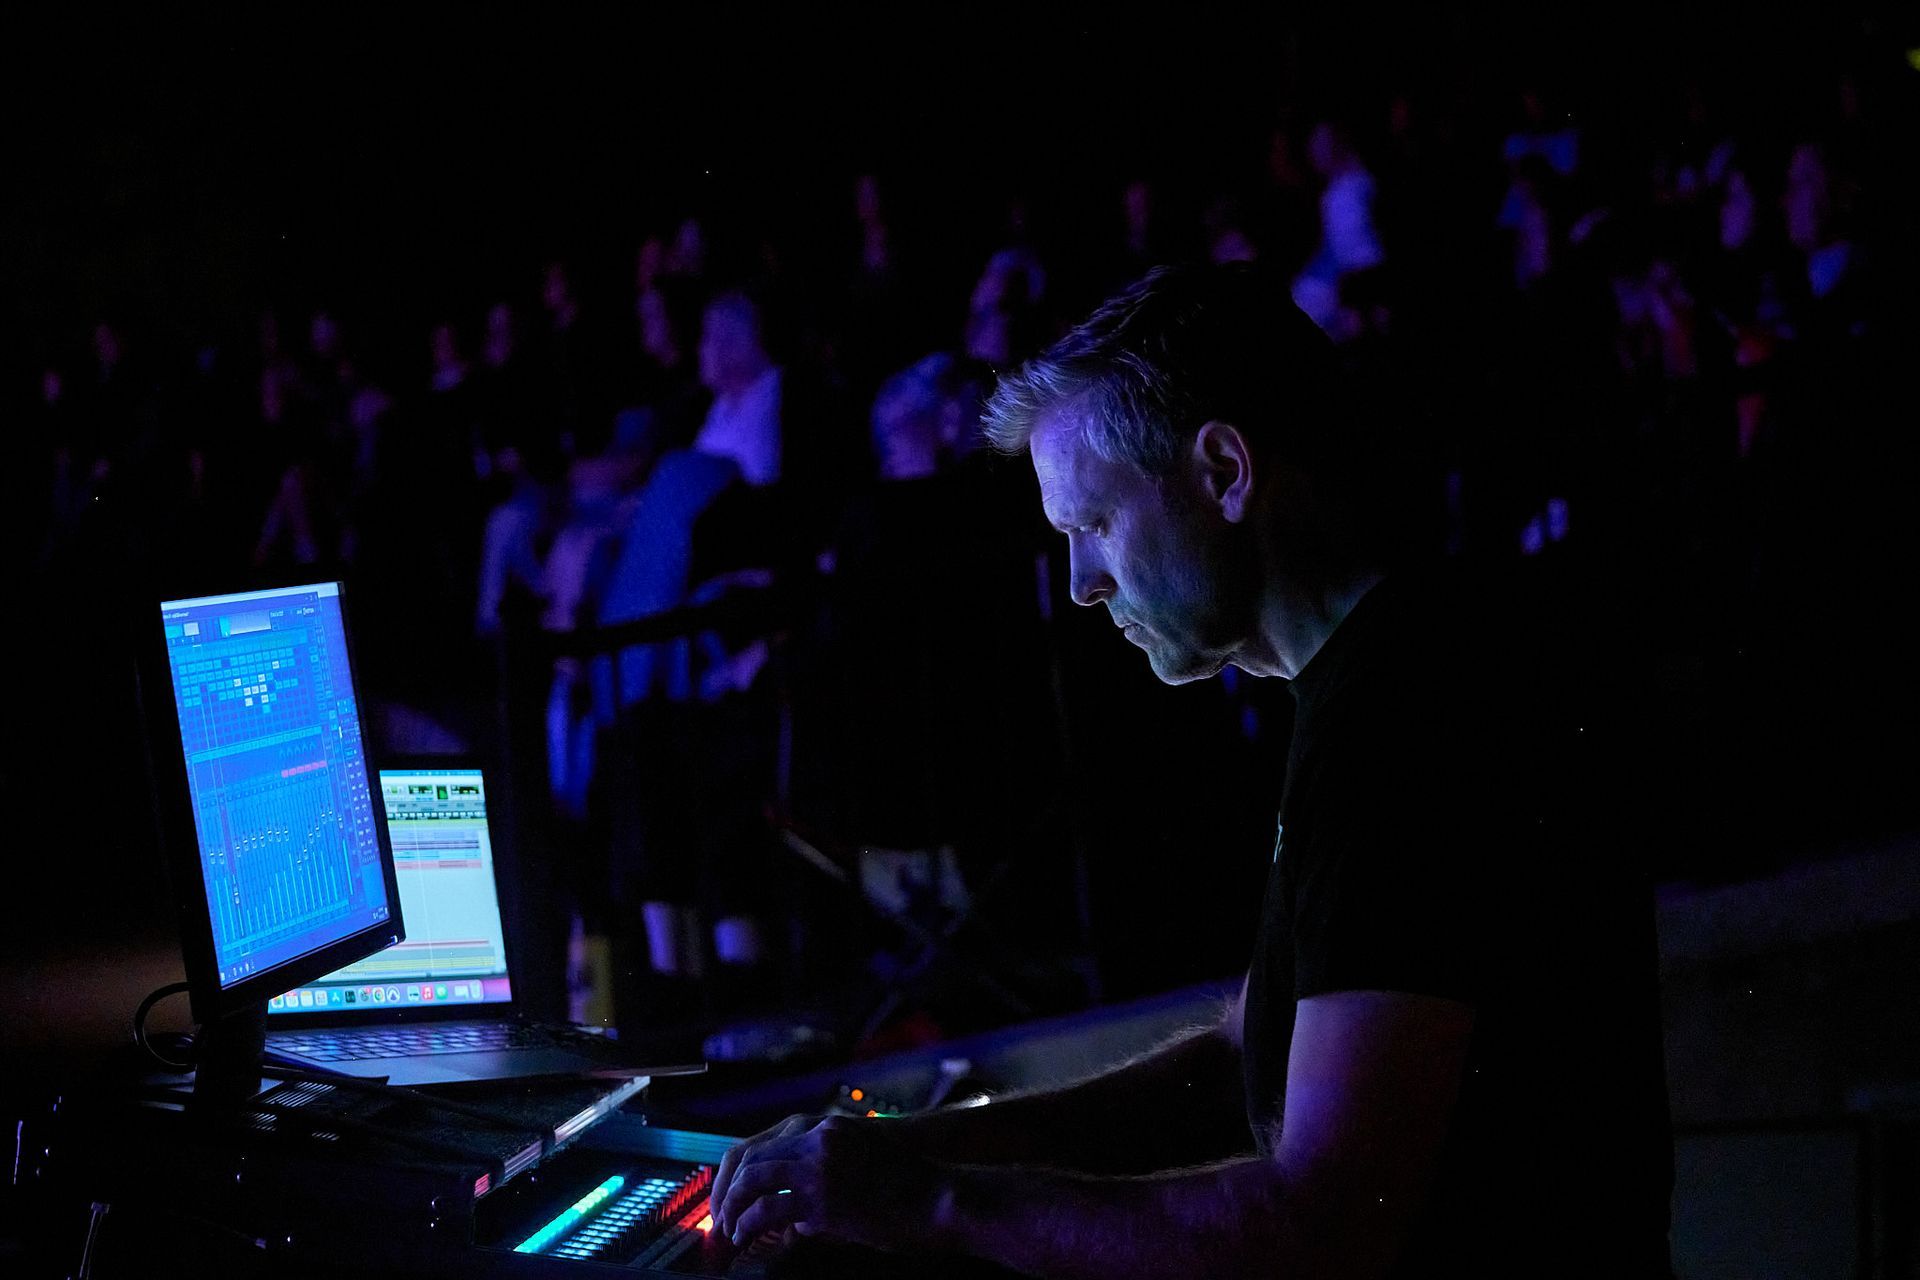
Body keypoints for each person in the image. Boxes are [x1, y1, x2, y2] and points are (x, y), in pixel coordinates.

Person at [709, 263, 1672, 1278]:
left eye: (1092, 526)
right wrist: (918, 1148)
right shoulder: (1376, 677)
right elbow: (1233, 1062)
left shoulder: (1406, 717)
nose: (1082, 584)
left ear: (1222, 470)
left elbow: (1324, 1222)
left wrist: (931, 1197)